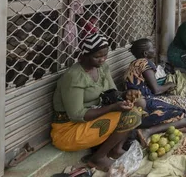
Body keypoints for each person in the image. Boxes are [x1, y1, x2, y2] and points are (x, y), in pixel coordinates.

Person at [51, 34, 143, 172]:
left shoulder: (102, 67)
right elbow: (77, 115)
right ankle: (97, 158)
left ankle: (116, 148)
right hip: (69, 130)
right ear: (85, 55)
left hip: (91, 119)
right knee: (130, 116)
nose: (102, 59)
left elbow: (112, 93)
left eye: (105, 55)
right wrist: (113, 107)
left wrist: (125, 95)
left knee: (139, 103)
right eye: (97, 56)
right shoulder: (74, 77)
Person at [125, 39, 186, 143]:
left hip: (135, 106)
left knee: (182, 101)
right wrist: (169, 85)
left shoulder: (133, 64)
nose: (155, 49)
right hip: (144, 106)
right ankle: (148, 131)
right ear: (145, 53)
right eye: (152, 48)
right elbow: (156, 90)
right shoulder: (145, 63)